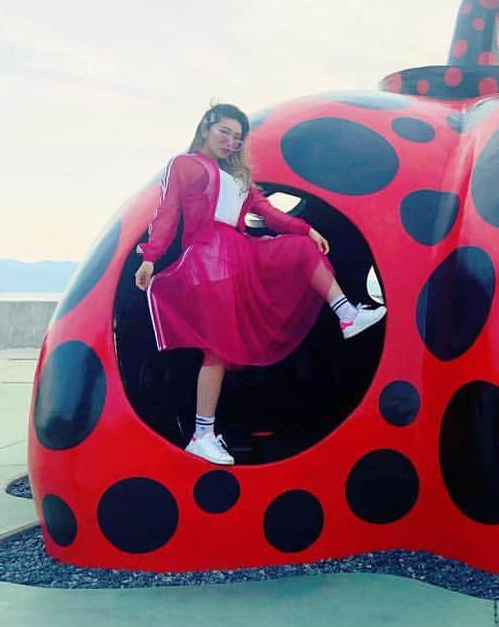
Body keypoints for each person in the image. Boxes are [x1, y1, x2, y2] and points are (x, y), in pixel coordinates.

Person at [133, 103, 386, 465]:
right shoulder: (185, 165)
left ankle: (346, 314)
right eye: (224, 132)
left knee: (299, 249)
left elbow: (269, 215)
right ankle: (202, 435)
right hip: (208, 261)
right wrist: (149, 257)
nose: (230, 141)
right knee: (216, 351)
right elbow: (167, 212)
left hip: (239, 257)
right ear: (206, 127)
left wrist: (308, 229)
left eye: (237, 137)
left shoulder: (239, 178)